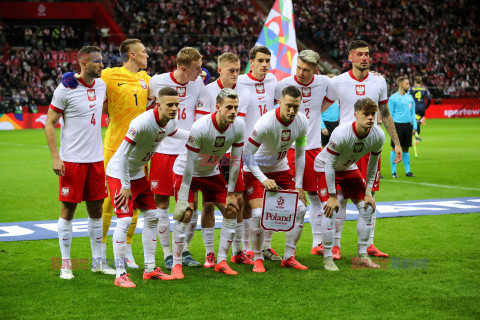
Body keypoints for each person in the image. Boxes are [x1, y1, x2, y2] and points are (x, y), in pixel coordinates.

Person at [62, 38, 151, 270]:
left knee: (133, 202)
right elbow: (87, 79)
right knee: (110, 202)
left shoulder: (146, 79)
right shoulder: (110, 75)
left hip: (139, 151)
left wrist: (201, 74)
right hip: (114, 148)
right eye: (144, 52)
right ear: (132, 55)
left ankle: (127, 251)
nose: (147, 55)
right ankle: (99, 255)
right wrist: (68, 76)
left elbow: (174, 84)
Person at [321, 40, 402, 259]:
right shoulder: (337, 82)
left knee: (370, 194)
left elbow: (384, 113)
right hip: (345, 145)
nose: (365, 58)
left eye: (367, 54)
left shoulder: (379, 81)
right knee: (340, 196)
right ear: (350, 58)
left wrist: (396, 143)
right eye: (360, 54)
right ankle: (335, 245)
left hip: (370, 144)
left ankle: (368, 244)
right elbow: (320, 107)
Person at [105, 87, 186, 287]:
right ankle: (120, 273)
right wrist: (125, 185)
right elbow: (123, 156)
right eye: (170, 104)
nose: (174, 108)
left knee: (152, 216)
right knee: (124, 221)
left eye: (176, 104)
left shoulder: (170, 122)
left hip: (138, 174)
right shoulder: (141, 123)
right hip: (119, 173)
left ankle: (150, 268)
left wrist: (197, 135)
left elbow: (176, 133)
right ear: (158, 104)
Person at [45, 46, 108, 279]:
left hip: (96, 159)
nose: (102, 65)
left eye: (102, 61)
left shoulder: (102, 84)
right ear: (83, 63)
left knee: (96, 210)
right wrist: (55, 156)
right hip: (71, 161)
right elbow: (49, 123)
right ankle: (66, 264)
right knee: (68, 210)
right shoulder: (65, 89)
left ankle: (97, 262)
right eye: (97, 62)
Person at [172, 88, 245, 278]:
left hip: (211, 172)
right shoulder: (201, 126)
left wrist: (230, 192)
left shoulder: (238, 126)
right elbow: (189, 163)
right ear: (218, 107)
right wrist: (183, 195)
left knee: (231, 209)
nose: (233, 112)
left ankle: (221, 261)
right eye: (229, 107)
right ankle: (176, 264)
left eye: (236, 107)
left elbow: (236, 161)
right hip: (187, 171)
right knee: (185, 214)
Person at [147, 47, 204, 270]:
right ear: (182, 68)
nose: (201, 72)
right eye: (197, 68)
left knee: (191, 205)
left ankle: (185, 250)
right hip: (162, 152)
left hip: (188, 152)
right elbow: (144, 103)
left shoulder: (198, 83)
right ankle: (168, 253)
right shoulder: (156, 82)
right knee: (161, 205)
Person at [194, 52, 252, 267]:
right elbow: (201, 122)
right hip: (211, 155)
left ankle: (237, 251)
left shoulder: (244, 94)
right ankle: (210, 253)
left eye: (238, 70)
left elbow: (238, 126)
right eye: (231, 70)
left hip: (234, 153)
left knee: (238, 200)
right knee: (208, 203)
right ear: (220, 70)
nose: (236, 74)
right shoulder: (207, 91)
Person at [243, 86, 309, 273]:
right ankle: (257, 258)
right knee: (258, 214)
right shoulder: (265, 123)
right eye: (288, 106)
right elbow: (247, 155)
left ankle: (289, 257)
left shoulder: (302, 122)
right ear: (279, 102)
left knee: (301, 209)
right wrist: (263, 179)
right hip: (255, 169)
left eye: (295, 107)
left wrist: (299, 185)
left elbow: (300, 154)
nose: (291, 111)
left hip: (280, 169)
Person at [314, 98, 385, 271]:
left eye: (372, 114)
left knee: (367, 208)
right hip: (325, 167)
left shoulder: (378, 135)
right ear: (355, 115)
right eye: (366, 114)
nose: (370, 118)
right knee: (330, 209)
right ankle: (328, 257)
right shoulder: (341, 133)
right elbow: (329, 164)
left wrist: (368, 192)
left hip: (348, 168)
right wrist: (332, 196)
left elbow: (372, 165)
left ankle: (362, 255)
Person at [274, 50, 330, 256]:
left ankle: (317, 242)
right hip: (287, 149)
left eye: (306, 70)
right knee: (284, 198)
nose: (300, 73)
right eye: (298, 67)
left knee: (314, 196)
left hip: (313, 148)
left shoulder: (324, 83)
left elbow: (329, 100)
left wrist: (315, 112)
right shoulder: (283, 85)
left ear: (315, 70)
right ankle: (275, 246)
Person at [237, 45, 280, 261]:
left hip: (269, 150)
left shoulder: (273, 80)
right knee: (244, 201)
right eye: (260, 61)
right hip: (245, 150)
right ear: (251, 62)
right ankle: (245, 247)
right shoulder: (239, 82)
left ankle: (266, 247)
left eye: (267, 61)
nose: (264, 65)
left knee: (268, 200)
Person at [389, 76, 417, 178]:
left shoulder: (410, 98)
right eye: (407, 84)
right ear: (401, 85)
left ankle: (408, 171)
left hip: (407, 125)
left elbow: (413, 113)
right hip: (397, 126)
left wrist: (414, 127)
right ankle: (393, 172)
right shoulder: (393, 98)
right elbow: (390, 115)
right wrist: (391, 128)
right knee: (394, 148)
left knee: (406, 148)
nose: (409, 86)